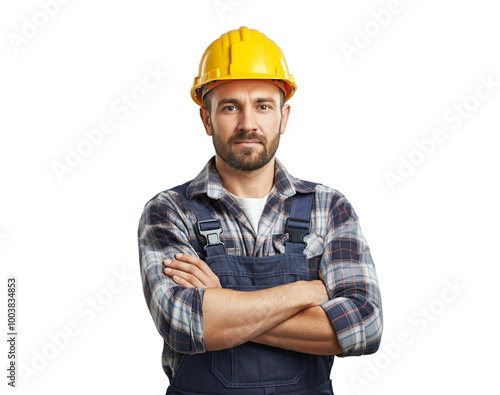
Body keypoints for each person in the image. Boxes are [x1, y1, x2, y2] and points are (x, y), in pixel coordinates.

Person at [138, 26, 383, 395]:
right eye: (230, 106)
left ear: (284, 116)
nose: (248, 123)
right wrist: (307, 292)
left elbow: (364, 327)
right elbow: (184, 323)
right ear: (207, 119)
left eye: (263, 106)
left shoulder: (329, 207)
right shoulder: (169, 211)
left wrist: (223, 306)